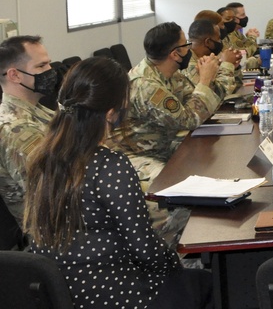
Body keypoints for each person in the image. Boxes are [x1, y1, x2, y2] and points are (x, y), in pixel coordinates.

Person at [23, 57, 212, 309]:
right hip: (118, 293)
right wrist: (174, 262)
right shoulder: (110, 165)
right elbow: (144, 250)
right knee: (208, 283)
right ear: (111, 113)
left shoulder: (40, 158)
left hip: (59, 292)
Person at [114, 22, 223, 186]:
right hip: (137, 154)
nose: (190, 50)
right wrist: (205, 80)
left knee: (211, 158)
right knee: (173, 184)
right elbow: (190, 120)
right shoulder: (147, 85)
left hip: (162, 143)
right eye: (186, 45)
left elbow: (204, 106)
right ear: (175, 54)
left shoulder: (170, 74)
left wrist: (209, 78)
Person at [0, 35, 56, 224]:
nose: (50, 71)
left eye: (49, 64)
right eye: (41, 66)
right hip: (54, 228)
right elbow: (52, 190)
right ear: (14, 75)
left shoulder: (38, 110)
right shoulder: (17, 129)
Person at [185, 17, 241, 99]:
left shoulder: (207, 57)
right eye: (218, 39)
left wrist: (234, 67)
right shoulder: (189, 64)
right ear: (208, 42)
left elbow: (235, 87)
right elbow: (215, 96)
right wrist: (227, 65)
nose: (220, 42)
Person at [225, 1, 261, 70]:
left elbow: (246, 46)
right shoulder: (230, 34)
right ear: (234, 19)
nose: (245, 17)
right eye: (242, 15)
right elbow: (244, 54)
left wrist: (249, 37)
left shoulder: (237, 31)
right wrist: (252, 37)